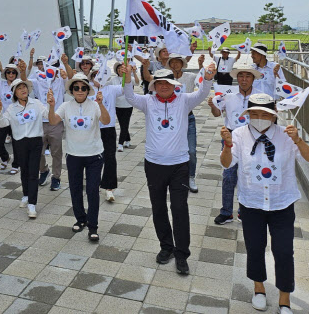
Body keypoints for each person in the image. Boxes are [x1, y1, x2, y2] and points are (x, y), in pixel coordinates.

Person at [220, 94, 309, 314]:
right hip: (251, 202)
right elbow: (227, 164)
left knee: (283, 251)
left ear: (274, 115)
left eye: (265, 114)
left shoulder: (286, 135)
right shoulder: (240, 135)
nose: (260, 118)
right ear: (248, 115)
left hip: (281, 202)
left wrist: (299, 141)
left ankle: (284, 299)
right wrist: (227, 146)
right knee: (255, 248)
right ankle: (259, 289)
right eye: (255, 113)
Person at [118, 62, 215, 275]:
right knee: (158, 207)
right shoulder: (148, 101)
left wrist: (208, 76)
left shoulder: (184, 100)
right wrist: (127, 77)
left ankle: (182, 254)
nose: (163, 86)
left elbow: (202, 93)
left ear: (174, 84)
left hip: (179, 165)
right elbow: (130, 96)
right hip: (153, 164)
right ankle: (166, 247)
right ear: (154, 85)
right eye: (159, 82)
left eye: (167, 82)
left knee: (180, 209)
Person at [47, 72, 111, 241]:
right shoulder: (66, 106)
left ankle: (93, 226)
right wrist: (52, 106)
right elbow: (53, 121)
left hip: (94, 155)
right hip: (74, 155)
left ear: (88, 89)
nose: (80, 91)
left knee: (92, 191)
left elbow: (106, 121)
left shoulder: (95, 105)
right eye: (76, 88)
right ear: (72, 90)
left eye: (83, 88)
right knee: (75, 189)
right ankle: (80, 219)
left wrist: (101, 105)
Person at [207, 61, 262, 224]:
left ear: (253, 79)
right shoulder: (228, 96)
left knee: (250, 175)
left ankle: (246, 210)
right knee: (229, 175)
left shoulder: (260, 97)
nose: (244, 79)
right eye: (241, 76)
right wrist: (212, 105)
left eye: (248, 76)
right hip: (231, 138)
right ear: (237, 78)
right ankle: (226, 211)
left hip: (253, 138)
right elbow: (217, 114)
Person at [0, 77, 48, 219]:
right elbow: (3, 124)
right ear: (14, 93)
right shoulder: (11, 108)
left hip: (36, 141)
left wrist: (51, 104)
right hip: (19, 143)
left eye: (24, 87)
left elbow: (47, 114)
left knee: (32, 173)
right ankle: (26, 194)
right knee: (24, 171)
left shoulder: (36, 103)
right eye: (19, 88)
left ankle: (32, 204)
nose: (23, 90)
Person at [23, 55, 72, 191]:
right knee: (38, 150)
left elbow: (70, 77)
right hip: (40, 121)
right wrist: (23, 70)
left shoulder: (61, 81)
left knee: (56, 151)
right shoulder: (38, 81)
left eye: (54, 67)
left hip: (56, 121)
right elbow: (24, 81)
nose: (51, 70)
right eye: (45, 67)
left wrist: (66, 65)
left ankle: (56, 177)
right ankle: (44, 170)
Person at [165, 52, 205, 194]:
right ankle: (171, 176)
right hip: (171, 120)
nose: (175, 64)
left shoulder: (189, 77)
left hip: (188, 118)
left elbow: (202, 83)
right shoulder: (165, 79)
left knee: (192, 151)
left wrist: (201, 66)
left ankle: (191, 177)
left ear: (182, 64)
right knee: (171, 149)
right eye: (172, 62)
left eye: (178, 62)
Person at [88, 66, 124, 202]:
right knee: (92, 158)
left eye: (101, 75)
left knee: (109, 157)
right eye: (95, 75)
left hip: (108, 128)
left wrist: (128, 73)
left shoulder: (112, 89)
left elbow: (125, 88)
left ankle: (109, 188)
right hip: (91, 129)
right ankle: (93, 183)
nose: (98, 78)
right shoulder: (88, 90)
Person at [0, 62, 20, 173]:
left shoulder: (19, 85)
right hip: (4, 117)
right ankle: (5, 157)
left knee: (16, 143)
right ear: (5, 74)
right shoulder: (0, 84)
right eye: (8, 72)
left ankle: (16, 164)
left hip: (15, 118)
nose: (11, 74)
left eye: (13, 72)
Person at [110, 60, 139, 152]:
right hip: (117, 105)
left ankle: (120, 144)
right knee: (123, 124)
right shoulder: (113, 80)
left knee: (124, 124)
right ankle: (127, 139)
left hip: (128, 105)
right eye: (118, 68)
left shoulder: (129, 78)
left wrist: (134, 72)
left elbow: (137, 83)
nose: (120, 70)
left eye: (122, 68)